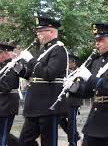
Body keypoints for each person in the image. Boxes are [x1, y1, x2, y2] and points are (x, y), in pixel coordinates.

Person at [69, 22, 108, 146]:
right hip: (95, 120)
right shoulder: (97, 61)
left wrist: (91, 79)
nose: (97, 43)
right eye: (96, 40)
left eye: (101, 39)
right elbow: (88, 92)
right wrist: (71, 87)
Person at [14, 16, 68, 146]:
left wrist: (31, 60)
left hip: (49, 104)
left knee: (48, 142)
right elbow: (35, 76)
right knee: (24, 141)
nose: (38, 34)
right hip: (35, 105)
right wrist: (20, 70)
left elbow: (49, 74)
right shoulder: (44, 50)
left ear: (52, 32)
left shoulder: (58, 50)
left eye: (41, 30)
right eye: (38, 31)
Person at [59, 54, 81, 146]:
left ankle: (72, 142)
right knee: (61, 119)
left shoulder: (79, 72)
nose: (68, 64)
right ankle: (75, 135)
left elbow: (77, 86)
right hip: (65, 100)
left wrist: (69, 84)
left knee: (72, 122)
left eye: (70, 62)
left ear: (74, 63)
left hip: (73, 100)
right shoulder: (66, 72)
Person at [0, 43, 20, 146]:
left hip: (7, 105)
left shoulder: (12, 66)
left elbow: (6, 86)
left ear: (5, 53)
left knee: (3, 135)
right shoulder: (2, 66)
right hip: (2, 104)